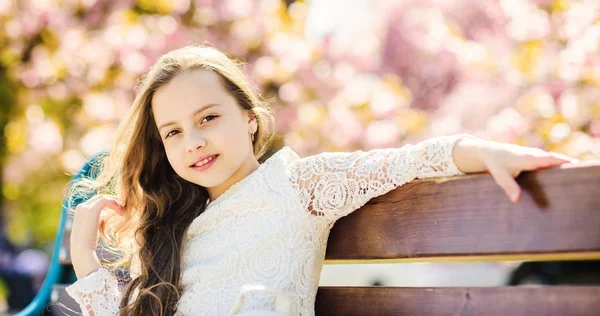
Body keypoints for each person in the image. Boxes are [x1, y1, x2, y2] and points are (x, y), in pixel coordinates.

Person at [63, 44, 578, 316]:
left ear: (249, 117)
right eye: (172, 132)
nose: (193, 141)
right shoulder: (178, 229)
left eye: (208, 118)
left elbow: (406, 160)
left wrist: (481, 150)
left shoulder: (300, 186)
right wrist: (87, 257)